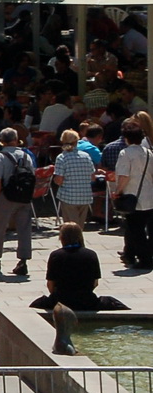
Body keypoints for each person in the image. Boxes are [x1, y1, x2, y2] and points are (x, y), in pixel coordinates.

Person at [32, 222, 124, 313]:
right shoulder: (91, 255)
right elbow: (95, 283)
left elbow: (50, 284)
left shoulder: (56, 255)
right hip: (86, 300)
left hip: (61, 300)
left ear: (61, 237)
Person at [0, 127, 37, 275]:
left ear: (2, 141)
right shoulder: (25, 155)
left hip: (7, 196)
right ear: (16, 139)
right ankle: (23, 261)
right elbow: (33, 175)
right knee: (24, 228)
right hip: (24, 197)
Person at [117, 121, 153, 268]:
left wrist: (117, 191)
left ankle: (144, 259)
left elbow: (124, 176)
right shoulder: (149, 153)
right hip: (149, 196)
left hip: (133, 196)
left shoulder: (125, 154)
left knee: (135, 230)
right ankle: (130, 254)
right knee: (139, 228)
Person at [50, 129, 97, 229]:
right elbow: (92, 178)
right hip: (85, 196)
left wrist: (54, 180)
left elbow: (59, 180)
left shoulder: (62, 157)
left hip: (69, 197)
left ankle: (73, 243)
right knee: (80, 225)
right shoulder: (86, 156)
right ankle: (79, 242)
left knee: (70, 226)